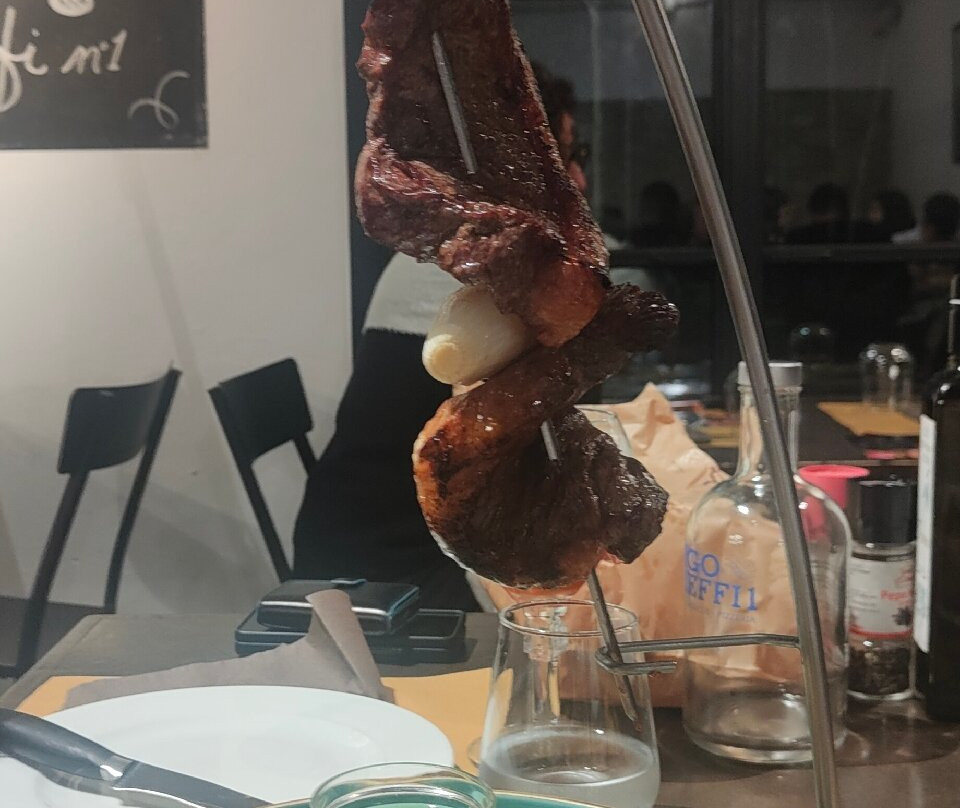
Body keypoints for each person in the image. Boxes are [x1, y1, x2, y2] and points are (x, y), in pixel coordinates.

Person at [292, 63, 590, 610]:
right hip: (383, 572)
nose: (580, 180)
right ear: (521, 165)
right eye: (568, 158)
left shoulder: (465, 254)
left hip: (385, 542)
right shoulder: (473, 275)